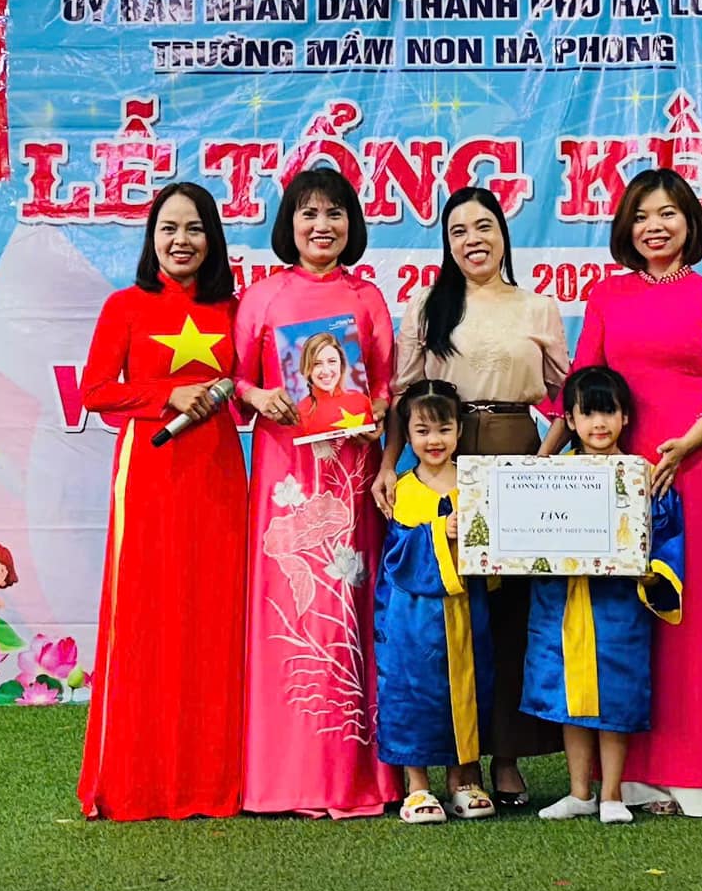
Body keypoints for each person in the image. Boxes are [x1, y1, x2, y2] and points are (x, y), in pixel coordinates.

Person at [548, 167, 702, 817]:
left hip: (692, 471)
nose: (654, 227)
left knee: (692, 620)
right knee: (621, 625)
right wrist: (546, 458)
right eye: (640, 216)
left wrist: (687, 445)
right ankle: (627, 781)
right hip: (615, 476)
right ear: (625, 229)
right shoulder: (608, 297)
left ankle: (699, 777)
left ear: (690, 221)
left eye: (666, 213)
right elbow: (583, 381)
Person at [378, 184, 567, 807]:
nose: (472, 240)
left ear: (502, 235)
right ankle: (454, 761)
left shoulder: (537, 307)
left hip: (516, 448)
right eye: (458, 231)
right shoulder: (427, 307)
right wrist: (389, 463)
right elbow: (404, 397)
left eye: (483, 226)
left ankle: (506, 757)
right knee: (451, 613)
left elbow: (564, 396)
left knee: (511, 611)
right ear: (446, 243)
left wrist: (541, 466)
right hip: (443, 452)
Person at [78, 182, 246, 821]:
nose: (182, 240)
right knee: (145, 618)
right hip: (149, 471)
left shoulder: (234, 309)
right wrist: (164, 395)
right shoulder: (125, 306)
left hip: (219, 476)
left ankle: (217, 779)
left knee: (216, 618)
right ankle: (136, 780)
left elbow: (253, 386)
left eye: (195, 228)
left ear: (213, 239)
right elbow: (95, 391)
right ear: (152, 238)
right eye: (169, 228)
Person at [235, 164, 396, 817]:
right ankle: (285, 778)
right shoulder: (262, 297)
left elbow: (384, 385)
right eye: (309, 213)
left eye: (335, 213)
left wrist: (377, 408)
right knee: (289, 616)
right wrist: (258, 396)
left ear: (351, 224)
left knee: (346, 614)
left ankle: (354, 777)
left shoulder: (368, 298)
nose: (322, 225)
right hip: (285, 480)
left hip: (350, 478)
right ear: (289, 224)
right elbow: (236, 382)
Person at [525, 367, 685, 827]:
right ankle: (580, 792)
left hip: (618, 605)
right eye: (588, 414)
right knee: (566, 694)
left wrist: (654, 573)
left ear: (625, 417)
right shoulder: (549, 478)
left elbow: (666, 534)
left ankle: (612, 793)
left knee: (615, 694)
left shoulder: (642, 476)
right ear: (569, 421)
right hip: (560, 599)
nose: (599, 423)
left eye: (609, 412)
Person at [373, 380, 496, 825]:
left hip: (466, 610)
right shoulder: (403, 490)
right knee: (414, 693)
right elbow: (397, 556)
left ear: (459, 430)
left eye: (444, 429)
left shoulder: (477, 484)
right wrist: (438, 534)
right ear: (407, 434)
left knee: (467, 689)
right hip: (413, 616)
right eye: (422, 431)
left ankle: (462, 780)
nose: (434, 441)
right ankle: (417, 786)